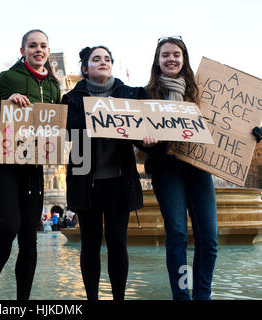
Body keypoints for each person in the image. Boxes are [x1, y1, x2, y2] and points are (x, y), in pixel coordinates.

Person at [63, 46, 153, 300]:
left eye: (107, 59)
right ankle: (91, 297)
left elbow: (141, 132)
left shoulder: (131, 94)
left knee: (117, 242)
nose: (103, 62)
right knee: (89, 244)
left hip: (119, 181)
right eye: (96, 59)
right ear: (85, 68)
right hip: (85, 181)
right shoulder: (71, 98)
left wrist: (145, 141)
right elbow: (68, 132)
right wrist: (99, 114)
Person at [0, 29, 61, 300]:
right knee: (9, 225)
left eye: (43, 46)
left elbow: (54, 125)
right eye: (32, 46)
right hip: (3, 160)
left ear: (48, 51)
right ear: (22, 50)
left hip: (34, 163)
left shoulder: (53, 85)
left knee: (30, 235)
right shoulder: (7, 77)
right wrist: (6, 102)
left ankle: (22, 302)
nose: (39, 50)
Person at [143, 36, 218, 300]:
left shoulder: (201, 94)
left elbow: (224, 129)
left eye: (176, 54)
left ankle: (203, 296)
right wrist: (148, 144)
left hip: (199, 169)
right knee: (177, 234)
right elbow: (140, 144)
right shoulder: (147, 94)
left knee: (209, 238)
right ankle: (181, 296)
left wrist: (251, 134)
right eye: (165, 54)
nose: (171, 59)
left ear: (184, 59)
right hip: (167, 170)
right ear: (158, 60)